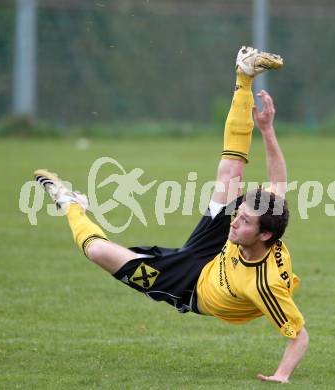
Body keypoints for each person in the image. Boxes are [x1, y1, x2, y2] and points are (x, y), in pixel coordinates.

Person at [34, 46, 309, 384]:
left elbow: (299, 336)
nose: (234, 220)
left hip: (191, 285)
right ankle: (244, 76)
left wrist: (281, 375)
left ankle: (71, 203)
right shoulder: (259, 221)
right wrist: (266, 130)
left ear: (265, 235)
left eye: (244, 220)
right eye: (238, 215)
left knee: (98, 251)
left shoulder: (266, 284)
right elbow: (278, 182)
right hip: (217, 254)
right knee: (229, 174)